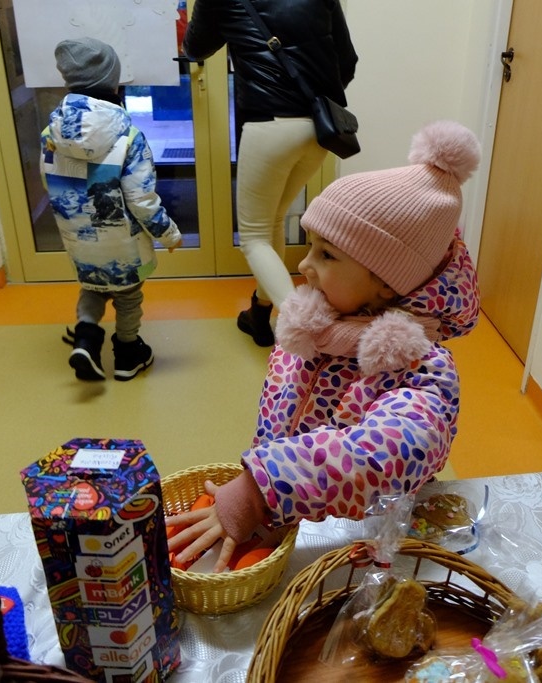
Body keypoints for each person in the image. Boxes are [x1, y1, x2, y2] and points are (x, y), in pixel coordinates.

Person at [166, 121, 482, 571]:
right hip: (288, 512)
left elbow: (383, 455)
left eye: (327, 254)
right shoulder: (313, 334)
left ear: (387, 283)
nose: (303, 264)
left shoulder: (421, 369)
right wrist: (263, 491)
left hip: (367, 543)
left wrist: (260, 489)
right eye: (311, 246)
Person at [182, 0, 358, 347]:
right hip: (319, 128)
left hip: (268, 126)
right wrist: (311, 99)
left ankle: (308, 332)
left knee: (253, 237)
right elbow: (347, 60)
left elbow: (195, 48)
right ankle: (259, 314)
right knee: (273, 220)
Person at [40, 37, 182, 381]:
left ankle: (86, 340)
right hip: (122, 242)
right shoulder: (128, 136)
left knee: (93, 286)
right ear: (112, 83)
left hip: (77, 236)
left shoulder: (51, 133)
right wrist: (169, 234)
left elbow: (49, 181)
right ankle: (128, 354)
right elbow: (141, 199)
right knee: (127, 296)